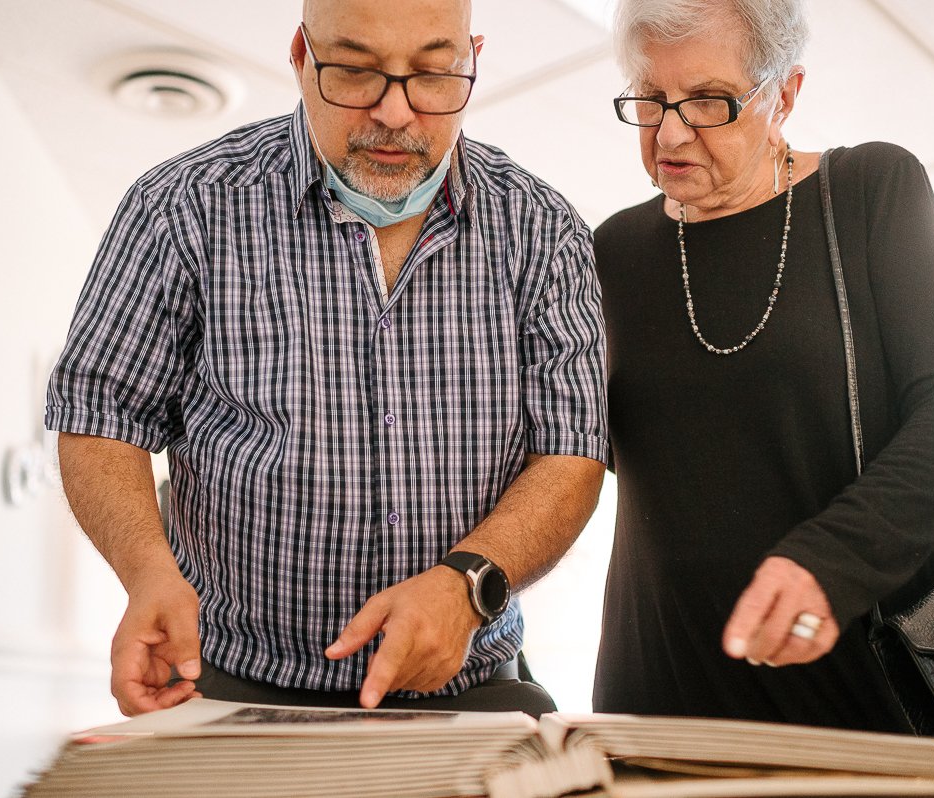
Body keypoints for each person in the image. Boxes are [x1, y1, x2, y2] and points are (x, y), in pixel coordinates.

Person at [45, 0, 608, 719]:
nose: (395, 112)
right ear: (300, 55)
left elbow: (571, 455)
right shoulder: (183, 207)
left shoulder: (544, 232)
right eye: (355, 71)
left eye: (434, 74)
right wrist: (147, 572)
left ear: (473, 59)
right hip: (228, 679)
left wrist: (470, 585)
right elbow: (102, 415)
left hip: (473, 685)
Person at [592, 0, 934, 733]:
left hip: (863, 681)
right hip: (662, 688)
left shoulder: (870, 191)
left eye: (709, 101)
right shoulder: (610, 252)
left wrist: (827, 562)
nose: (671, 132)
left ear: (784, 94)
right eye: (650, 100)